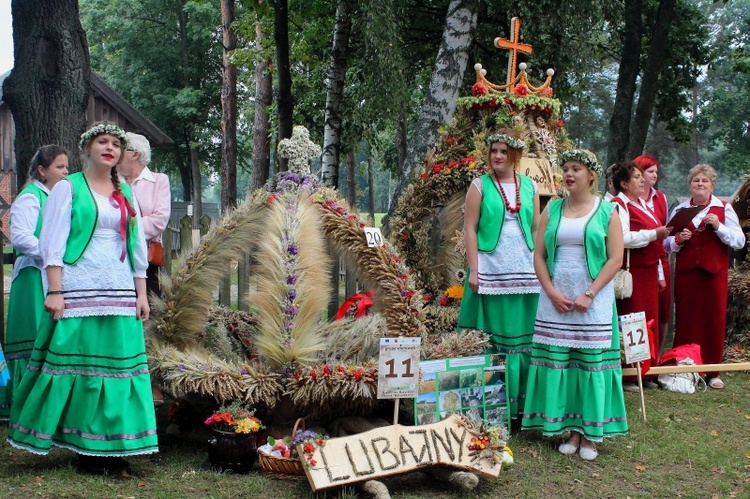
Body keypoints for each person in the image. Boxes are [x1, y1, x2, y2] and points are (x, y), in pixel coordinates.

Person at [7, 122, 159, 473]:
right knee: (81, 366)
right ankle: (85, 450)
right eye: (102, 142)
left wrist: (141, 294)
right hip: (80, 287)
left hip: (119, 289)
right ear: (87, 148)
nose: (110, 148)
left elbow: (136, 245)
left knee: (118, 368)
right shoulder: (67, 188)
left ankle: (113, 446)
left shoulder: (125, 191)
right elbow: (52, 243)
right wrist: (56, 291)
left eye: (116, 144)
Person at [522, 149, 628, 461]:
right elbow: (539, 255)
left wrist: (591, 293)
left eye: (576, 169)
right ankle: (571, 430)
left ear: (591, 176)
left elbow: (616, 259)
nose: (569, 174)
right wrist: (551, 291)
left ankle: (590, 435)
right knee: (564, 364)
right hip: (557, 298)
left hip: (591, 299)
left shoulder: (607, 211)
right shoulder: (552, 209)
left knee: (589, 365)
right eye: (566, 168)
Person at [457, 131, 540, 419]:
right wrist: (475, 269)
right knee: (491, 335)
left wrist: (541, 267)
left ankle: (523, 406)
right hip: (491, 266)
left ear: (514, 155)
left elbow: (535, 228)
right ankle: (488, 406)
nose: (498, 156)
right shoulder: (479, 186)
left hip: (524, 268)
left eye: (503, 151)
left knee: (523, 336)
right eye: (494, 150)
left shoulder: (529, 186)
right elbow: (470, 229)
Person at [0, 146, 69, 420]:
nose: (66, 172)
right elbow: (20, 238)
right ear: (42, 171)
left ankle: (49, 407)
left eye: (67, 167)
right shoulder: (30, 198)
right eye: (60, 167)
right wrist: (51, 253)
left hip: (52, 275)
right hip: (33, 277)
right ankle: (25, 407)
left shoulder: (56, 197)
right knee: (34, 336)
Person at [664, 164, 745, 389]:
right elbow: (665, 243)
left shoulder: (723, 209)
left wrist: (719, 227)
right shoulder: (679, 209)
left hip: (713, 274)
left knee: (713, 319)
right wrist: (678, 240)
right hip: (687, 273)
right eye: (696, 180)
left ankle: (711, 371)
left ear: (712, 185)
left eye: (705, 181)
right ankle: (684, 367)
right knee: (687, 319)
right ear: (689, 185)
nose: (700, 184)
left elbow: (739, 241)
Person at [611, 161, 671, 391]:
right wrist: (653, 233)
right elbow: (622, 238)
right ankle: (629, 372)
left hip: (648, 272)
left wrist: (659, 274)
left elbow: (654, 244)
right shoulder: (619, 205)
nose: (642, 180)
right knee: (632, 320)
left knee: (648, 322)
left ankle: (645, 370)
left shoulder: (644, 205)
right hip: (632, 271)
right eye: (636, 177)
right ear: (625, 184)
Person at [117, 132, 171, 298]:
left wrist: (123, 228)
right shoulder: (111, 182)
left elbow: (159, 221)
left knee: (146, 313)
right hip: (115, 256)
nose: (115, 154)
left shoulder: (159, 181)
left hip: (146, 258)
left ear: (135, 154)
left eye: (120, 149)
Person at [634, 154, 671, 354]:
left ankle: (656, 355)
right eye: (650, 171)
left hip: (660, 258)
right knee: (641, 310)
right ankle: (639, 360)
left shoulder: (661, 197)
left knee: (662, 310)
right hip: (639, 261)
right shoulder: (628, 200)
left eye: (656, 172)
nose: (654, 175)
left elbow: (664, 227)